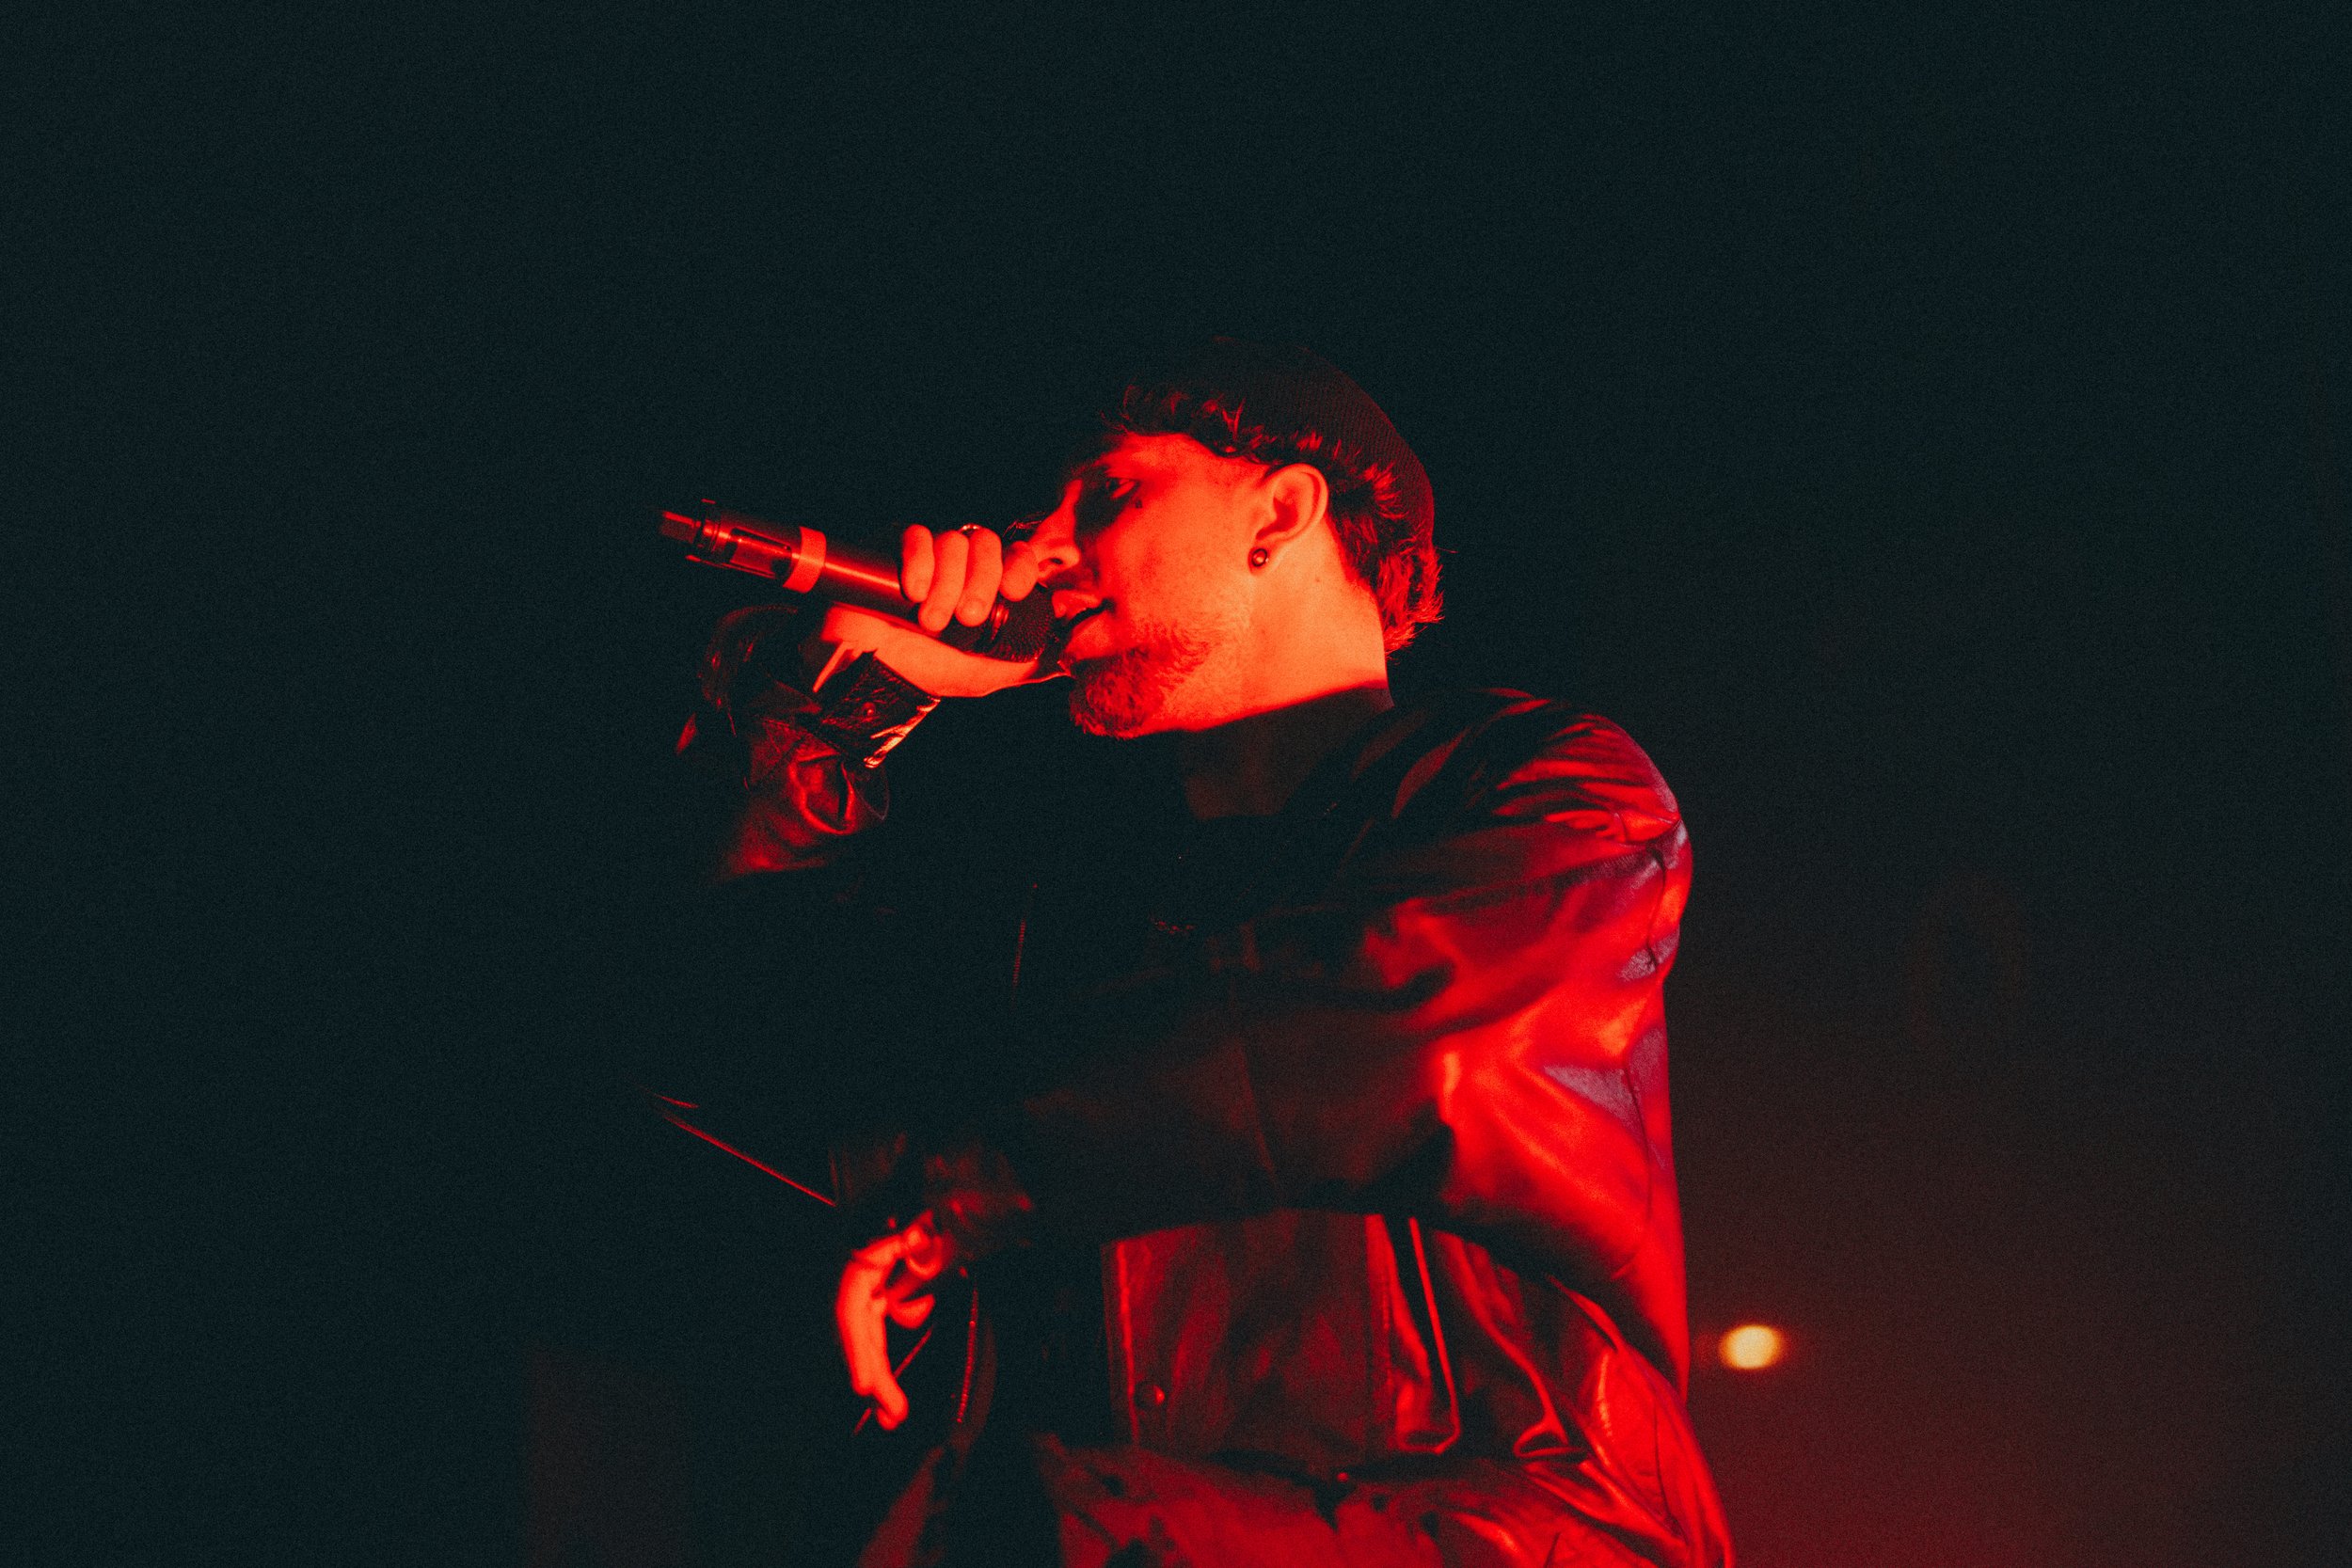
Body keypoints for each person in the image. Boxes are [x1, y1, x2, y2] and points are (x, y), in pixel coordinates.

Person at [670, 341, 1733, 1566]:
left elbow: (1392, 1023)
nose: (1047, 543)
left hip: (1508, 1531)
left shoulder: (1546, 793)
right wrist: (826, 717)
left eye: (1109, 494)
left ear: (1280, 509)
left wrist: (981, 1183)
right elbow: (730, 1062)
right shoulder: (1076, 917)